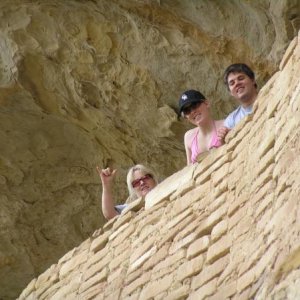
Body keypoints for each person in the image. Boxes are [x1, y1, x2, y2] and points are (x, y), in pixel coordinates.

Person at [179, 89, 224, 165]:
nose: (192, 111)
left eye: (194, 105)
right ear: (186, 117)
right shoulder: (188, 137)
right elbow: (189, 169)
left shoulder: (226, 124)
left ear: (206, 103)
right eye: (187, 111)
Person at [217, 63, 258, 142]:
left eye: (241, 78)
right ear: (230, 92)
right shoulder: (231, 120)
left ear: (253, 80)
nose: (237, 83)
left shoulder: (269, 95)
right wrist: (224, 138)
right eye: (232, 83)